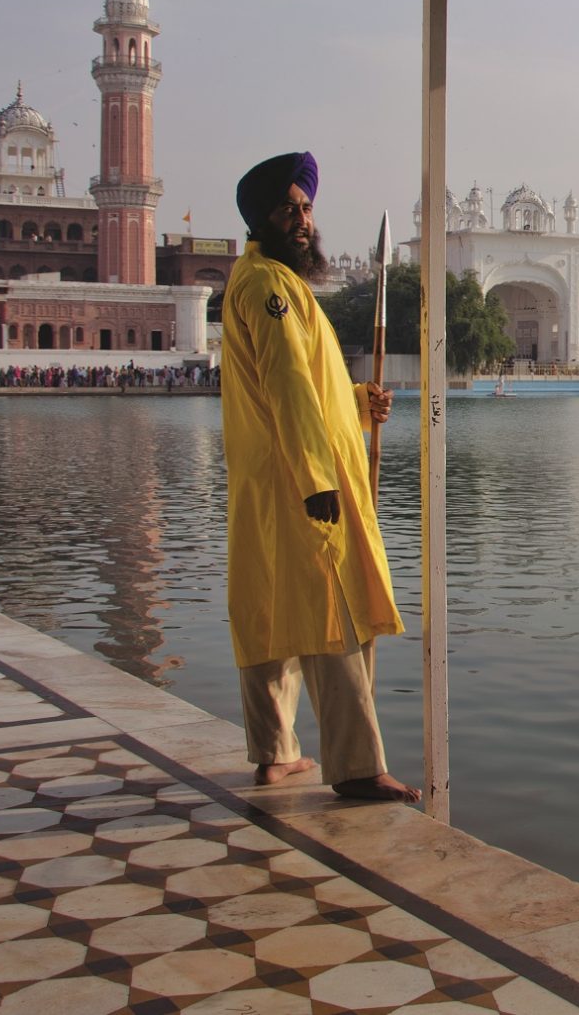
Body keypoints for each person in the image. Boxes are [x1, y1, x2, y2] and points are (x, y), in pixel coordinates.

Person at [221, 151, 419, 803]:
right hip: (301, 482)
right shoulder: (272, 289)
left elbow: (314, 391)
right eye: (288, 209)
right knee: (338, 614)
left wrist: (362, 405)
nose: (302, 219)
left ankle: (275, 750)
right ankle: (357, 766)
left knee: (268, 612)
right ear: (263, 218)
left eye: (306, 207)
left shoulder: (267, 281)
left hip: (268, 481)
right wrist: (317, 485)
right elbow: (288, 392)